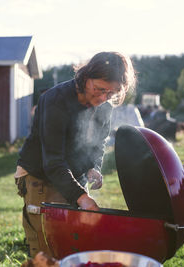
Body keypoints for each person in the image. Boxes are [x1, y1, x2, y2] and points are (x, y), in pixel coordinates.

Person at [14, 52, 136, 257]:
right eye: (99, 89)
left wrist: (94, 167)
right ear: (86, 77)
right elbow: (52, 162)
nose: (103, 98)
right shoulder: (55, 100)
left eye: (111, 93)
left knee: (74, 245)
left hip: (73, 177)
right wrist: (82, 197)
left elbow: (99, 143)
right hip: (41, 176)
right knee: (47, 249)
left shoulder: (105, 107)